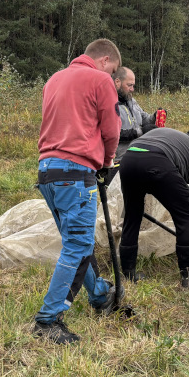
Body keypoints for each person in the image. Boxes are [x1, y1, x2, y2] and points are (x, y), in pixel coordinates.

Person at [34, 38, 122, 344]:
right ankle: (48, 320)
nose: (113, 77)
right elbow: (112, 129)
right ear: (104, 60)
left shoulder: (54, 79)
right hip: (76, 174)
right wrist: (108, 160)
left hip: (48, 172)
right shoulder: (100, 80)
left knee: (77, 242)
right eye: (113, 70)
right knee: (77, 245)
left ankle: (99, 295)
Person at [118, 127, 189, 286]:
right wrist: (188, 231)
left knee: (132, 215)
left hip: (128, 158)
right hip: (156, 159)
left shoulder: (176, 139)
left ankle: (128, 273)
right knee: (187, 215)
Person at [112, 66, 163, 162]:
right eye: (129, 85)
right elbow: (113, 133)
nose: (132, 89)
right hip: (119, 160)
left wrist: (155, 116)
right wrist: (139, 132)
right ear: (117, 82)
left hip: (138, 155)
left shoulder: (131, 101)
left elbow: (144, 118)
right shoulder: (109, 104)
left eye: (133, 85)